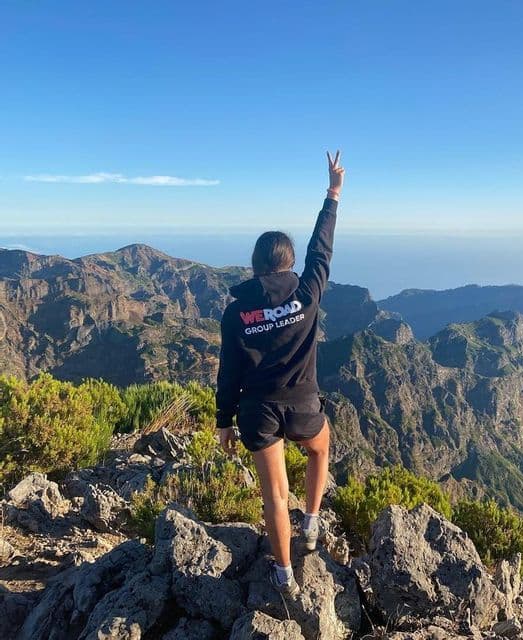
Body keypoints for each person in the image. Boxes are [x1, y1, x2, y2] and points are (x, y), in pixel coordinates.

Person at [214, 151, 345, 601]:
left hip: (257, 411)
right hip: (304, 404)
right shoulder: (307, 292)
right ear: (289, 264)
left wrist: (222, 420)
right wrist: (332, 194)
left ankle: (284, 575)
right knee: (320, 448)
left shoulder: (236, 312)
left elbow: (228, 370)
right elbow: (321, 250)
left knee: (273, 494)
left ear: (255, 265)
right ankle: (311, 521)